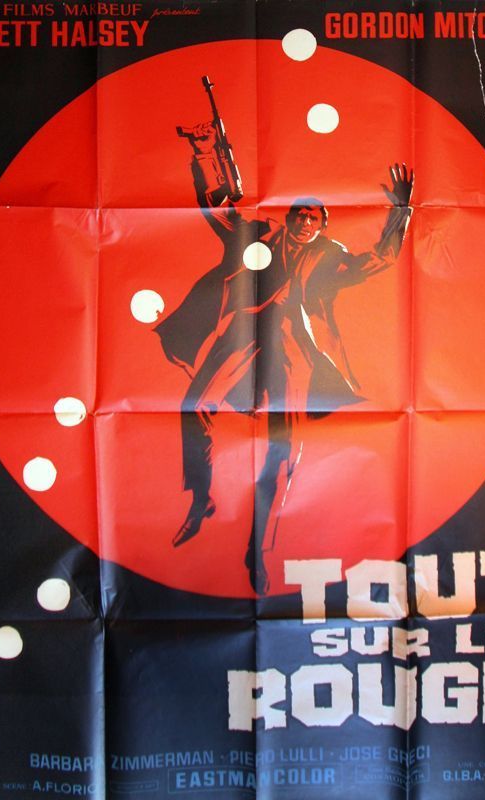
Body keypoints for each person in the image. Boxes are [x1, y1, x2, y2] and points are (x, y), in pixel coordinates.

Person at [155, 122, 414, 594]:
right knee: (195, 408)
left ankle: (258, 549)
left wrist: (401, 210)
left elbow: (380, 260)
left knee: (283, 450)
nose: (305, 222)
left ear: (323, 225)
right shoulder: (261, 234)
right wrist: (204, 152)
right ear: (289, 216)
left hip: (293, 353)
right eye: (300, 214)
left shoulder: (330, 255)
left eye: (314, 217)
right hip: (241, 338)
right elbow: (216, 207)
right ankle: (201, 500)